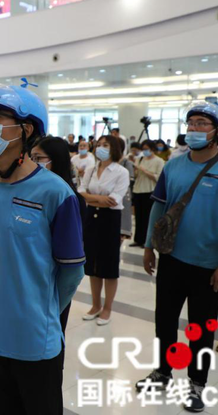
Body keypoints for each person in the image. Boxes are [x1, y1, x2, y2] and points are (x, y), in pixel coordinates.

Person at [0, 83, 84, 414]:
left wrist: (40, 310)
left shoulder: (55, 193)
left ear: (26, 129)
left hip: (33, 340)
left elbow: (72, 271)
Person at [136, 102, 218, 413]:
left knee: (201, 328)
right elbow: (158, 208)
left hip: (208, 266)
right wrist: (148, 246)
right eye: (191, 123)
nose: (194, 129)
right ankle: (163, 371)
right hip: (172, 258)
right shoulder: (173, 165)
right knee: (165, 321)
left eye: (201, 123)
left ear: (217, 132)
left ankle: (197, 385)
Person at [30, 136, 88, 337]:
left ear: (57, 160)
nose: (33, 163)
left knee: (51, 336)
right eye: (31, 157)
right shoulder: (30, 192)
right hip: (29, 283)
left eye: (39, 158)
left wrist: (55, 307)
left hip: (52, 287)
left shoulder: (69, 198)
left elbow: (72, 267)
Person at [78, 135, 130, 326]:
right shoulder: (91, 170)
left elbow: (114, 200)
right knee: (92, 264)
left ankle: (107, 308)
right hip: (91, 217)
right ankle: (95, 305)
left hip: (110, 220)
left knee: (109, 266)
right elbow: (81, 192)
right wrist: (97, 199)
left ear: (114, 148)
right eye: (98, 145)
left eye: (105, 145)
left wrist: (91, 198)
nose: (100, 148)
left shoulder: (121, 171)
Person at [131, 140, 165, 248]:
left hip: (150, 191)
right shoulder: (140, 159)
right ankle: (138, 239)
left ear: (152, 149)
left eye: (147, 149)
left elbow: (158, 178)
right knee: (138, 217)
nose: (145, 151)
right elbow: (136, 176)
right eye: (143, 149)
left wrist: (143, 170)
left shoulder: (159, 161)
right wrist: (136, 170)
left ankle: (147, 241)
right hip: (138, 190)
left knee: (147, 217)